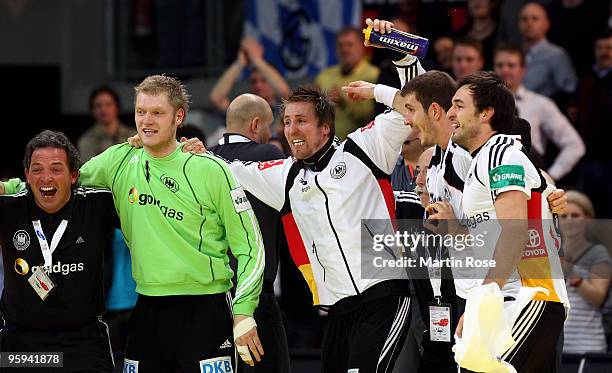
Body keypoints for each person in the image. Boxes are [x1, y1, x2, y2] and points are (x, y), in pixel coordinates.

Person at [3, 75, 265, 372]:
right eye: (141, 112)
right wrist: (10, 187)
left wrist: (244, 311)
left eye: (157, 113)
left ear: (178, 116)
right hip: (146, 309)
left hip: (205, 308)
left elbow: (251, 247)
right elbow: (60, 181)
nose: (147, 121)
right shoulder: (119, 160)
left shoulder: (210, 169)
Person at [447, 71, 568, 372]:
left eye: (459, 105)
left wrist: (480, 307)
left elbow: (515, 233)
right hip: (509, 298)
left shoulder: (501, 153)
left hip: (528, 296)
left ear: (486, 113)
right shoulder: (487, 157)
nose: (450, 113)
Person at [0, 130, 116, 372]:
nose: (46, 178)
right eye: (37, 169)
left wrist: (179, 151)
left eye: (56, 169)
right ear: (26, 176)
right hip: (22, 344)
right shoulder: (9, 208)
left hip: (83, 343)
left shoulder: (97, 204)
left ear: (74, 175)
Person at [208, 94, 291, 373]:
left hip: (210, 294)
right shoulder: (267, 154)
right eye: (269, 127)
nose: (270, 134)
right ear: (256, 125)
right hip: (254, 293)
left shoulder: (201, 157)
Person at [493, 43, 584, 181]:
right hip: (489, 177)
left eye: (511, 65)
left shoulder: (541, 104)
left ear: (523, 69)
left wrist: (549, 177)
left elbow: (574, 144)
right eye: (500, 65)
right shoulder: (482, 103)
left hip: (530, 178)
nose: (505, 70)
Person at [561, 191, 611, 354]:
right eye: (563, 216)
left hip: (587, 345)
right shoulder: (548, 253)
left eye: (575, 216)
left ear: (588, 219)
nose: (569, 221)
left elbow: (598, 297)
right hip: (553, 345)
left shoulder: (598, 252)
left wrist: (569, 270)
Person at [315, 26, 380, 139]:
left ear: (362, 47)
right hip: (325, 144)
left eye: (349, 45)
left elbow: (372, 116)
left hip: (360, 145)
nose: (344, 49)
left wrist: (343, 103)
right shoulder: (324, 76)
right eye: (340, 45)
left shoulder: (375, 75)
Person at [519, 2, 577, 98]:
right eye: (524, 19)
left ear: (546, 24)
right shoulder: (514, 54)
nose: (529, 23)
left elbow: (569, 89)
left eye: (535, 18)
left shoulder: (557, 55)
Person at [78, 86, 136, 162]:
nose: (103, 109)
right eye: (98, 106)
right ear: (92, 111)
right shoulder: (86, 141)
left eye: (108, 104)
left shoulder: (133, 136)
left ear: (117, 107)